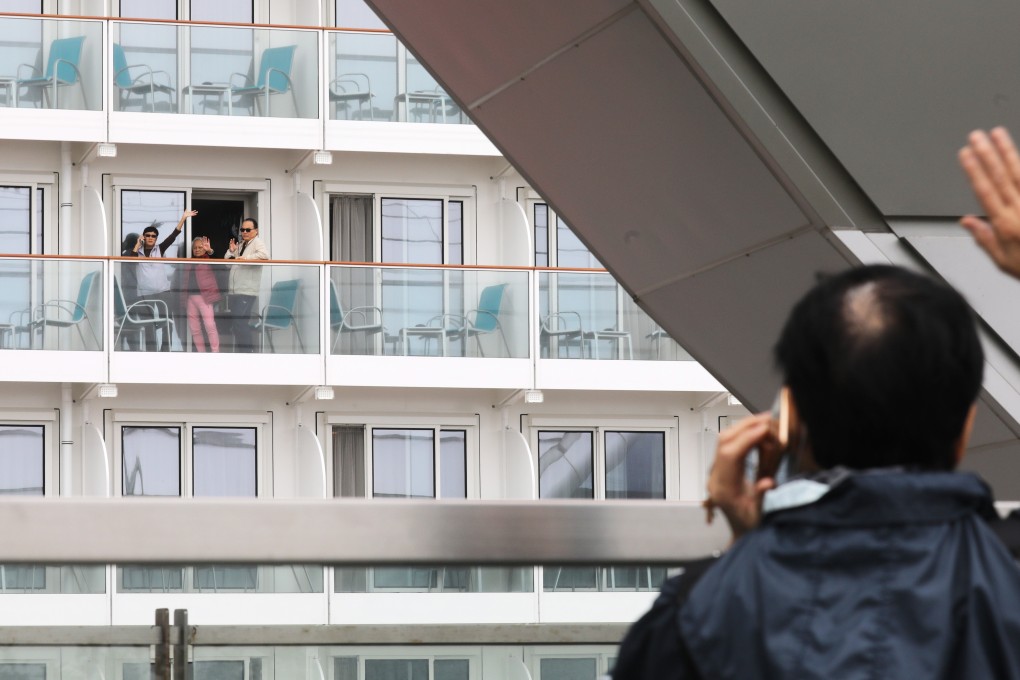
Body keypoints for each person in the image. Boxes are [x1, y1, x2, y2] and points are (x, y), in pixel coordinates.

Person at [613, 264, 1020, 678]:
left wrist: (741, 551)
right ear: (964, 425)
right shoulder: (1007, 576)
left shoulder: (691, 613)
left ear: (790, 419)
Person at [132, 210, 196, 351]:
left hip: (163, 290)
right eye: (147, 235)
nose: (150, 238)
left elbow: (174, 236)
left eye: (153, 236)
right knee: (148, 323)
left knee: (167, 321)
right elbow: (128, 261)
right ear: (144, 237)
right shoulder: (137, 252)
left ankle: (165, 350)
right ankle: (151, 350)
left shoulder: (160, 249)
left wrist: (183, 218)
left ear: (156, 238)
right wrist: (137, 244)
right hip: (144, 292)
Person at [223, 217, 268, 352]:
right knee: (238, 325)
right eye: (242, 229)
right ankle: (243, 353)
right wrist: (231, 251)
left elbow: (265, 255)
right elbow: (226, 264)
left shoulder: (257, 242)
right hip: (235, 292)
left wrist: (245, 258)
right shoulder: (242, 244)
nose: (245, 232)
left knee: (240, 323)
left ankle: (248, 354)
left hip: (246, 291)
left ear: (256, 231)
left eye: (248, 229)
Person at [182, 235, 222, 352]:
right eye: (195, 248)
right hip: (190, 298)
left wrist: (210, 251)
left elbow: (220, 262)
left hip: (205, 298)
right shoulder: (189, 262)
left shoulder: (209, 260)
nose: (197, 249)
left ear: (205, 249)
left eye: (200, 247)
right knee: (194, 328)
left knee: (209, 325)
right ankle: (201, 354)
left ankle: (215, 353)